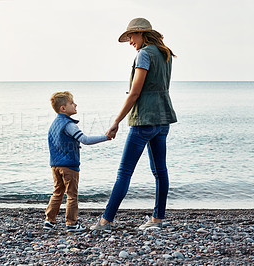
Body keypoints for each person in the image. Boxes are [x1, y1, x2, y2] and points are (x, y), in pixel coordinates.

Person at [90, 18, 177, 232]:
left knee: (124, 173)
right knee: (160, 172)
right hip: (163, 119)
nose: (130, 41)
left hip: (144, 121)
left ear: (141, 34)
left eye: (131, 36)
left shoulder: (145, 54)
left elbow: (136, 92)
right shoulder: (165, 54)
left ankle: (106, 221)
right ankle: (157, 219)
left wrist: (116, 122)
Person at [44, 91, 112, 232]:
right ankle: (71, 223)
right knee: (72, 195)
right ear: (63, 108)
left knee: (57, 192)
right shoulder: (69, 125)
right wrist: (106, 137)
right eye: (72, 103)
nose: (75, 105)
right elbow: (85, 140)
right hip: (69, 165)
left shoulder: (54, 124)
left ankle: (49, 221)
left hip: (55, 165)